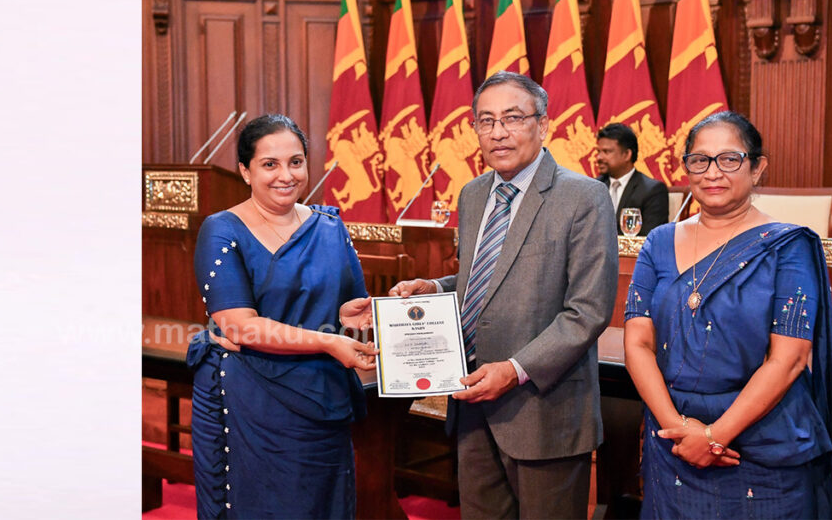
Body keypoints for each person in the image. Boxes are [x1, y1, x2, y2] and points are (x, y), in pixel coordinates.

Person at [385, 71, 619, 518]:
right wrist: (434, 288)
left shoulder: (584, 197)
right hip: (472, 403)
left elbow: (587, 311)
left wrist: (514, 371)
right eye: (486, 121)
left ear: (542, 124)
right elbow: (486, 278)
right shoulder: (473, 194)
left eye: (512, 118)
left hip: (543, 410)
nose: (498, 132)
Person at [622, 111, 832, 519]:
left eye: (729, 159)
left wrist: (713, 437)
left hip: (761, 444)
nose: (713, 172)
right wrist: (678, 429)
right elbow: (637, 342)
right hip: (672, 442)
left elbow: (789, 359)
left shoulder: (787, 247)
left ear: (757, 168)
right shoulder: (658, 242)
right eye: (700, 160)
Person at [185, 114, 378, 519]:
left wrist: (348, 314)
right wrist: (328, 340)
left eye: (296, 162)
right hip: (249, 398)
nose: (286, 176)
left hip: (321, 393)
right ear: (245, 170)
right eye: (269, 164)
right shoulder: (222, 230)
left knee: (321, 505)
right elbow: (239, 326)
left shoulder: (329, 226)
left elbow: (348, 305)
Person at [595, 122, 669, 236]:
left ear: (627, 154)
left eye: (606, 152)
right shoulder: (594, 187)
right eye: (598, 151)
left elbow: (651, 237)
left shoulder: (652, 191)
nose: (599, 157)